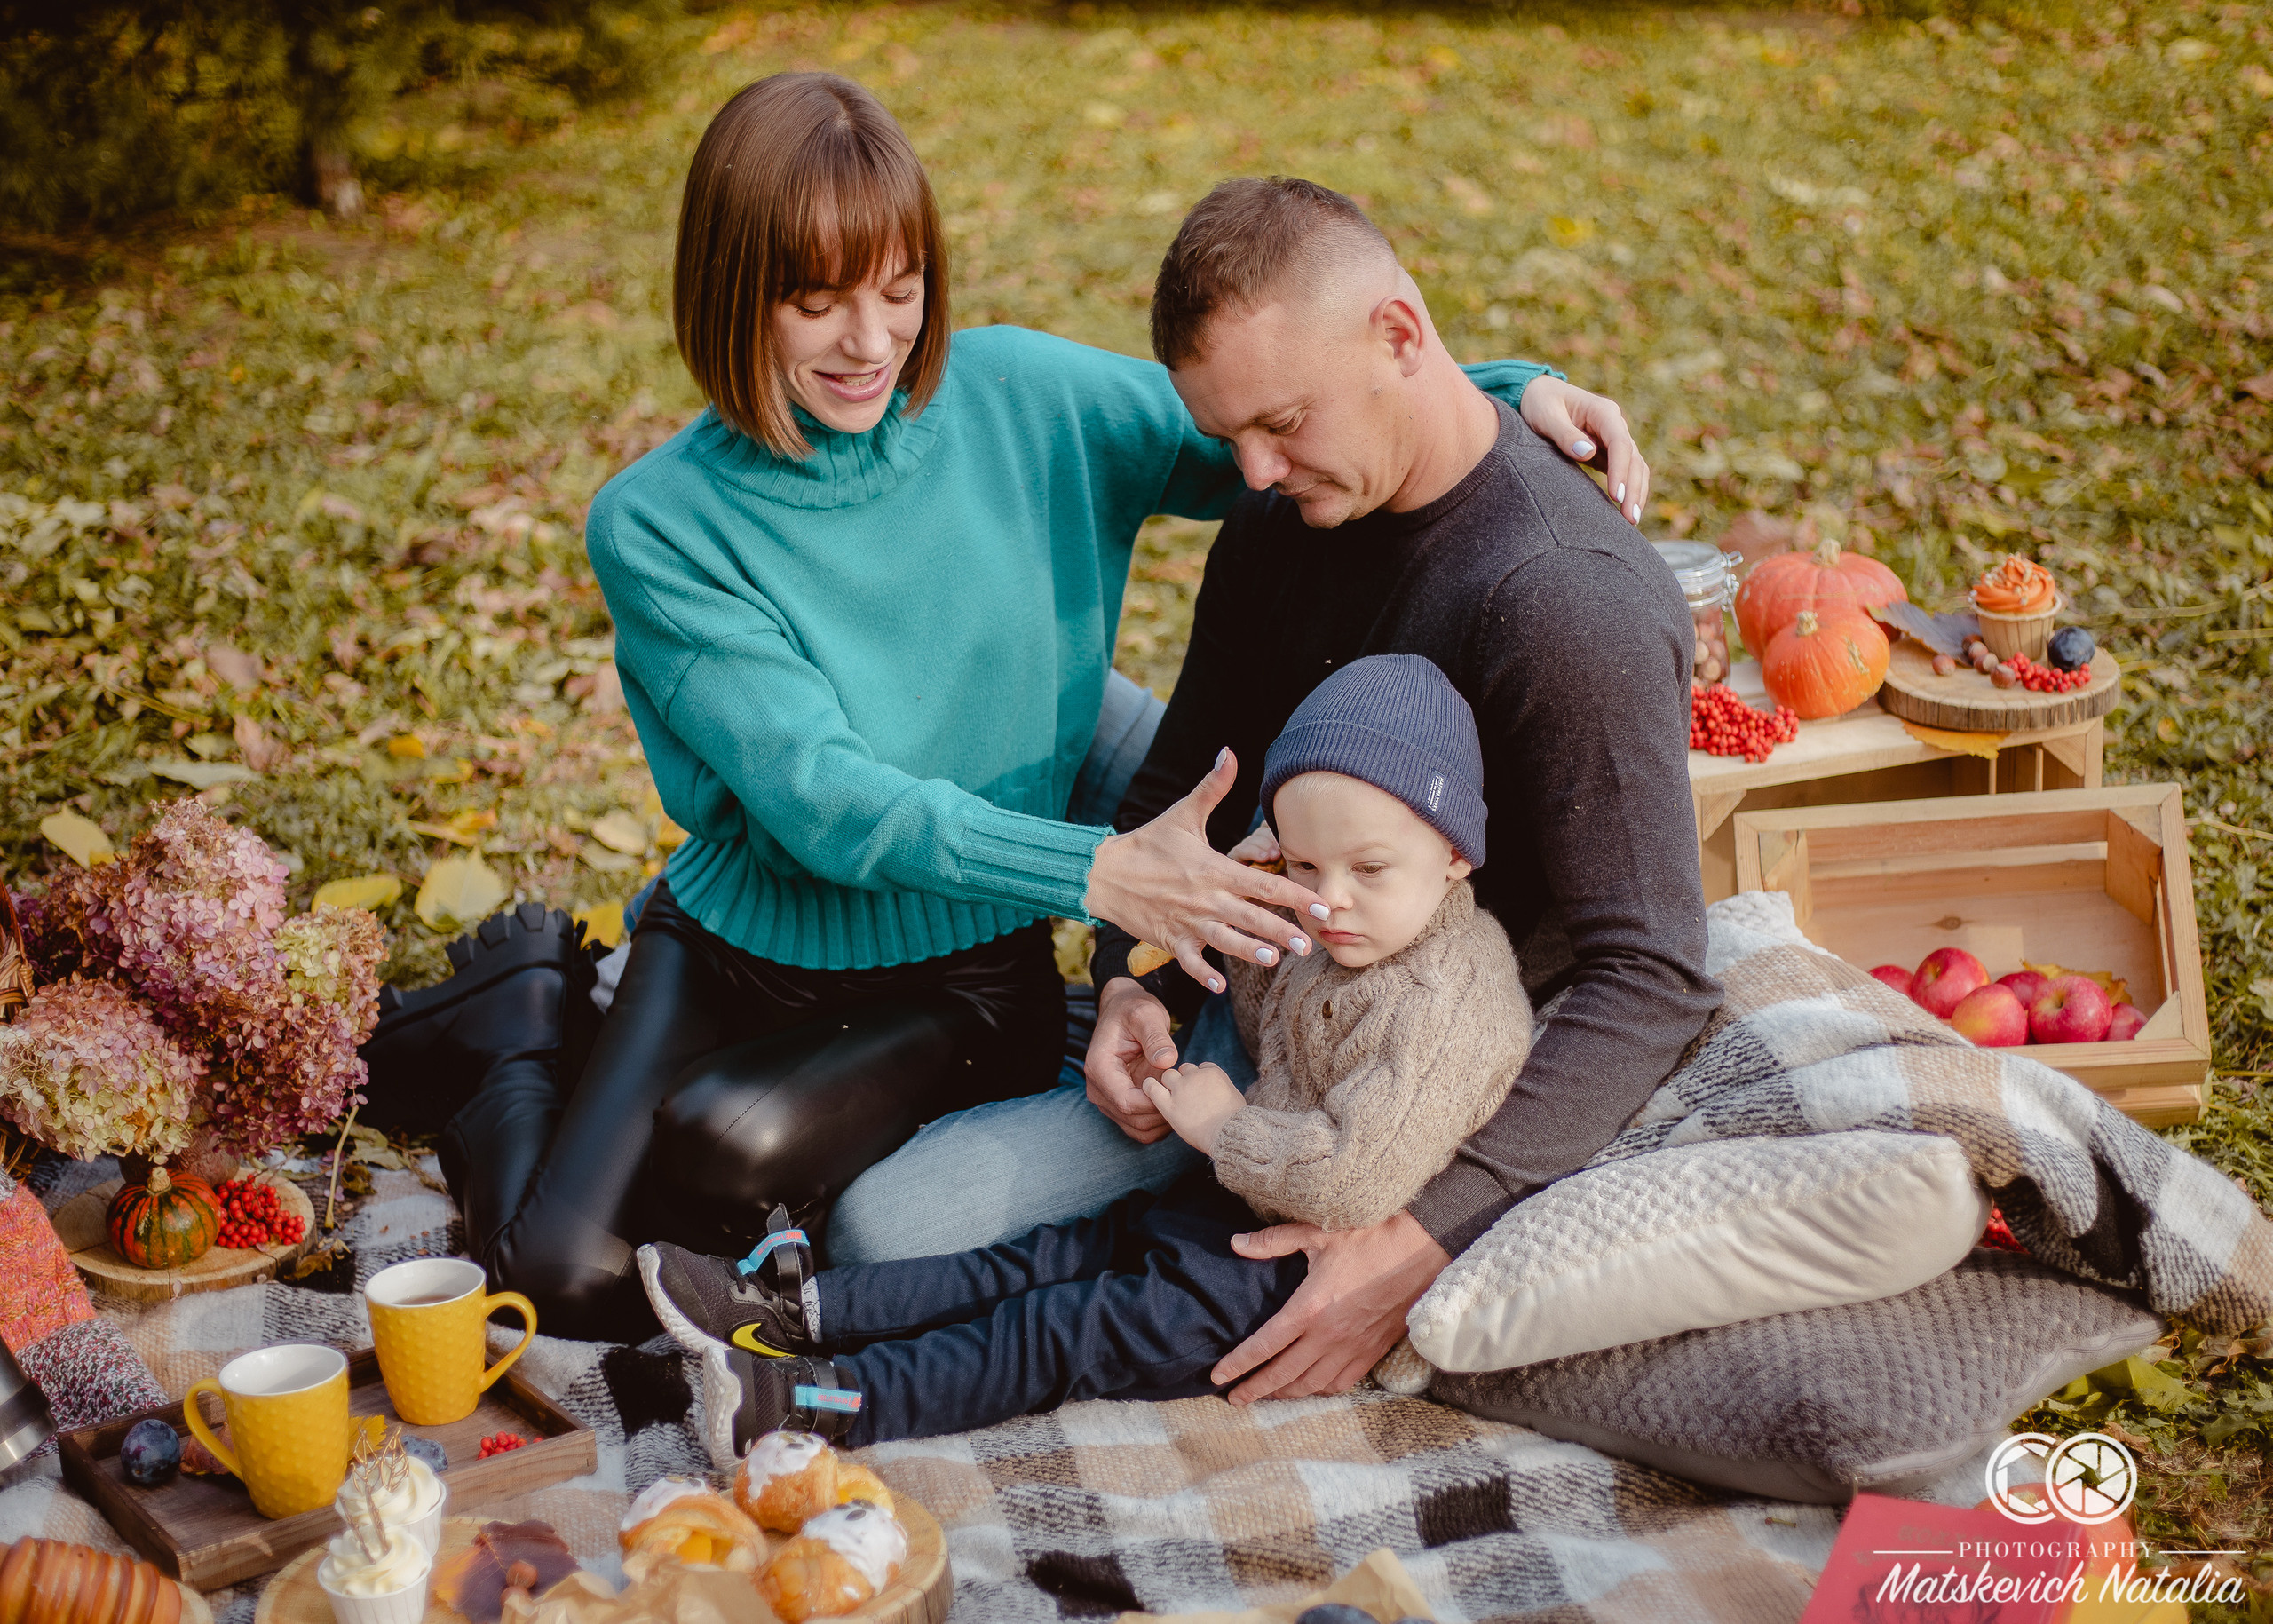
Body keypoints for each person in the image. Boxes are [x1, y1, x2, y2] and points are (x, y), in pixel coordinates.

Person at [360, 74, 1651, 1339]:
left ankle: (567, 1033)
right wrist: (1099, 874)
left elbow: (1278, 423)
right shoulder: (659, 525)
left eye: (901, 291)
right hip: (734, 933)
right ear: (732, 294)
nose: (871, 342)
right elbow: (822, 802)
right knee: (560, 1277)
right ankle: (528, 1017)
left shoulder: (1026, 399)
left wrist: (1500, 384)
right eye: (816, 303)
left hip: (964, 964)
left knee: (720, 1146)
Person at [851, 174, 1720, 1402]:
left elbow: (1653, 972)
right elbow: (1178, 776)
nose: (1252, 473)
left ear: (1400, 337)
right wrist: (1118, 981)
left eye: (1283, 424)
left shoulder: (1562, 602)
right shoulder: (1284, 516)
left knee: (886, 1236)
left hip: (1368, 1054)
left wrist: (1413, 1243)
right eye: (1228, 438)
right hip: (1256, 937)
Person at [635, 656, 1533, 1456]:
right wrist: (1260, 873)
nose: (1328, 902)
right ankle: (795, 1309)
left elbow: (1355, 1179)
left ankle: (816, 1405)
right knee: (1042, 1255)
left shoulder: (1441, 995)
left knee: (1053, 1328)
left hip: (1293, 1272)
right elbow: (1271, 1005)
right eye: (1305, 866)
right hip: (1236, 1197)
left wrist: (1227, 1125)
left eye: (1364, 870)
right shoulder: (1350, 927)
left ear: (1455, 853)